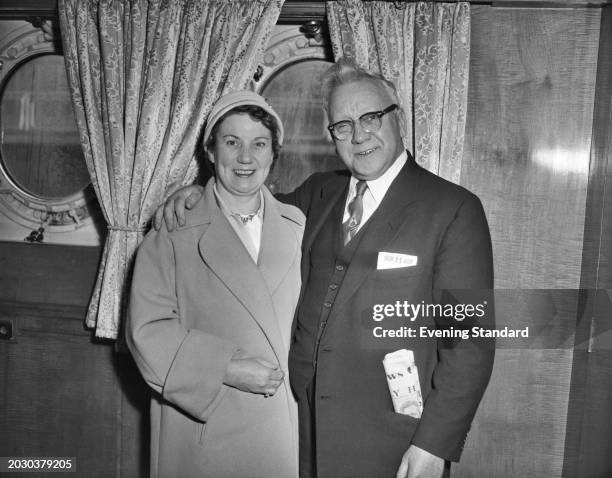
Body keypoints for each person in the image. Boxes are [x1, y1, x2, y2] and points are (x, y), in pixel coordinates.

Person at [156, 59, 495, 478]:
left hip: (392, 441)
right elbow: (246, 209)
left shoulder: (454, 209)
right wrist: (195, 192)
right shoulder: (318, 192)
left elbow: (471, 344)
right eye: (343, 125)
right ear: (332, 135)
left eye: (371, 117)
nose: (359, 135)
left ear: (399, 119)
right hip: (300, 429)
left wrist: (433, 445)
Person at [127, 91, 304, 478]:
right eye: (231, 142)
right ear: (209, 151)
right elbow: (146, 332)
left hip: (280, 430)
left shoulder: (299, 226)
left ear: (274, 154)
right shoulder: (171, 231)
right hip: (203, 425)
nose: (245, 157)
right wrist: (225, 367)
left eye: (259, 144)